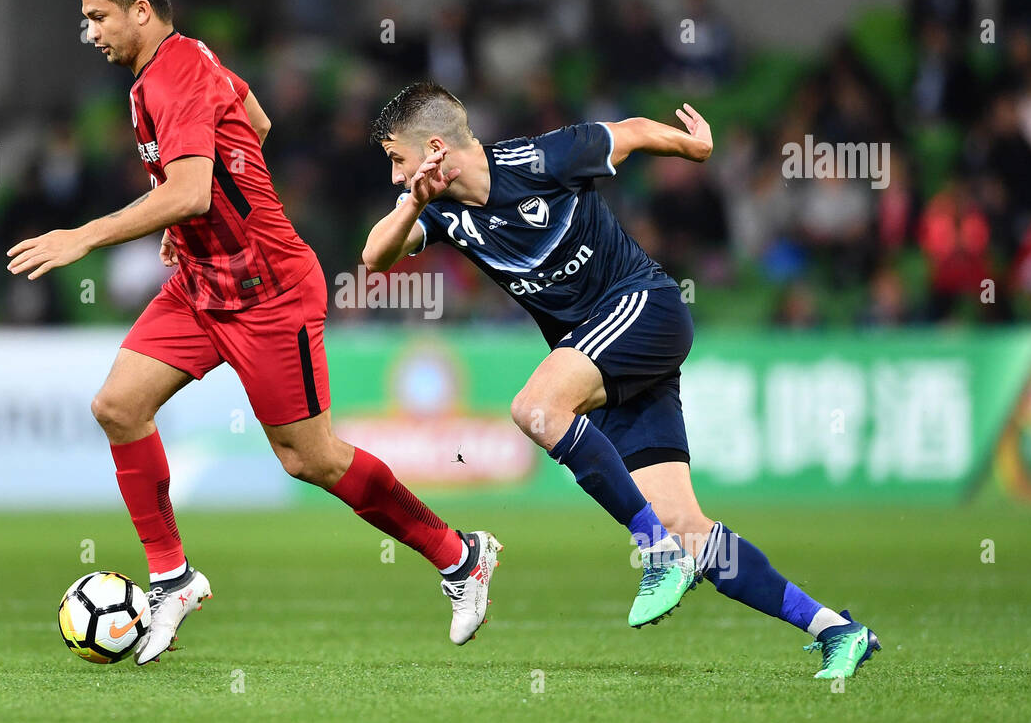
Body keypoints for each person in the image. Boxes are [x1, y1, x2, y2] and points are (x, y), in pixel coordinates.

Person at [7, 0, 500, 665]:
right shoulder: (183, 60)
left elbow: (194, 189)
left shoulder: (173, 77)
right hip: (204, 282)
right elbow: (256, 123)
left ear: (141, 10)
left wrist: (89, 234)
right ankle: (173, 578)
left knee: (312, 460)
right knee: (118, 406)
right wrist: (190, 229)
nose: (90, 33)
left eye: (98, 17)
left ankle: (460, 556)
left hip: (268, 293)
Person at [361, 82, 880, 678]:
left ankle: (655, 552)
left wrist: (695, 151)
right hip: (604, 361)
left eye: (398, 161)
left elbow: (630, 133)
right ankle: (836, 630)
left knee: (535, 408)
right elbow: (374, 257)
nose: (398, 177)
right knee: (691, 530)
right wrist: (413, 205)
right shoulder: (442, 211)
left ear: (432, 147)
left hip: (643, 310)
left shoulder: (542, 159)